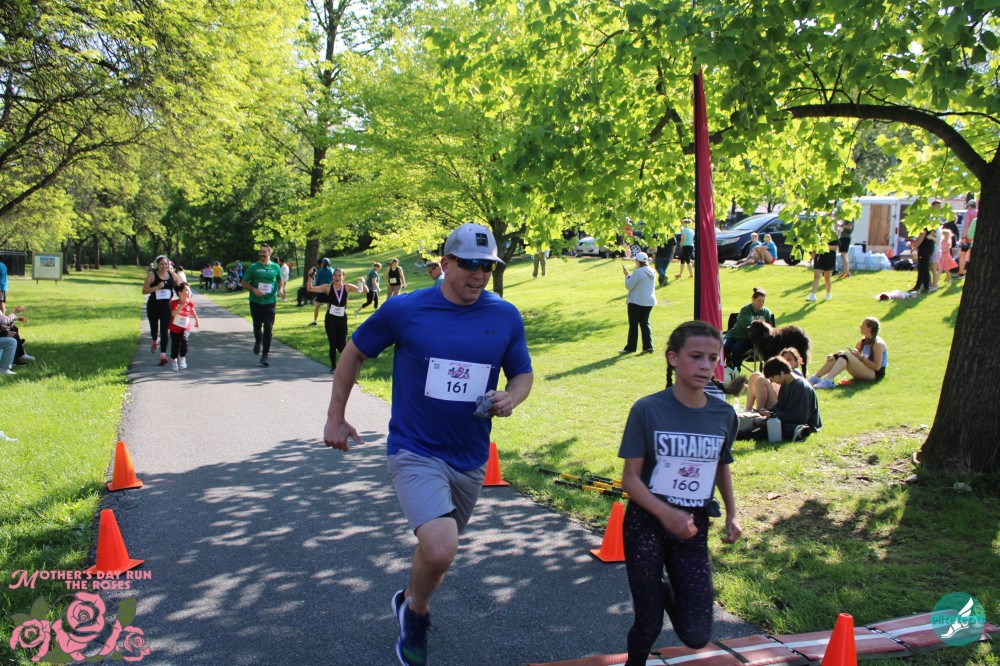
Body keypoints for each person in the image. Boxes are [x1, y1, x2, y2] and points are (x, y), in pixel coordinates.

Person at [322, 222, 533, 666]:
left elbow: (522, 373)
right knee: (440, 547)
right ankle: (417, 614)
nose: (479, 275)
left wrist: (512, 396)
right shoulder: (406, 309)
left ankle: (408, 599)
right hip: (415, 449)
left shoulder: (504, 315)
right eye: (470, 264)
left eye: (488, 266)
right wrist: (335, 416)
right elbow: (354, 353)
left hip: (470, 456)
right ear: (447, 263)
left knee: (439, 551)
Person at [618, 321, 740, 666]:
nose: (705, 365)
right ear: (673, 358)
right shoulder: (647, 409)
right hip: (646, 523)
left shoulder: (723, 414)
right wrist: (666, 513)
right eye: (695, 356)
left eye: (712, 358)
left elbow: (721, 465)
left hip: (692, 526)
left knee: (696, 635)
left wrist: (733, 513)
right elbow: (630, 479)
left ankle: (664, 590)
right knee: (649, 622)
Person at [306, 266, 367, 372]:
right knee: (332, 343)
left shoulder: (347, 287)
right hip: (330, 319)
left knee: (342, 346)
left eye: (339, 275)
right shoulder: (327, 287)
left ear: (343, 277)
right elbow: (310, 289)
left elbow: (364, 291)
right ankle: (334, 367)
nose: (337, 277)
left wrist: (362, 282)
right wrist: (310, 277)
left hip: (342, 319)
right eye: (335, 275)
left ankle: (345, 365)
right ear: (332, 276)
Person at [752, 356, 821, 441]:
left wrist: (773, 415)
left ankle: (799, 430)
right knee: (762, 422)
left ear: (781, 373)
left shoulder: (801, 387)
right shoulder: (785, 384)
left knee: (773, 425)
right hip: (790, 419)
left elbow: (798, 416)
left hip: (805, 423)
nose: (773, 381)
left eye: (773, 378)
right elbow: (780, 406)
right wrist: (768, 411)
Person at [808, 317, 888, 389]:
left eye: (863, 325)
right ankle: (815, 377)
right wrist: (833, 356)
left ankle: (828, 381)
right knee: (840, 354)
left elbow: (877, 367)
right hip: (866, 370)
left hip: (875, 374)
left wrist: (860, 357)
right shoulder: (863, 341)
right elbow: (853, 357)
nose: (860, 327)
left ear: (869, 328)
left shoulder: (878, 344)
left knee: (845, 355)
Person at [240, 244, 284, 368]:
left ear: (270, 253)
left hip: (270, 301)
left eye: (264, 252)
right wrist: (254, 290)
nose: (262, 254)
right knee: (257, 325)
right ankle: (258, 341)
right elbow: (243, 282)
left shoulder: (276, 267)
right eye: (261, 252)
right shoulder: (253, 267)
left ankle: (265, 356)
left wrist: (281, 289)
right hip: (256, 301)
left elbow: (280, 280)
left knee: (268, 327)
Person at [723, 287, 773, 371]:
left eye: (763, 301)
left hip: (748, 339)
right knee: (724, 347)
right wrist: (761, 327)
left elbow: (770, 328)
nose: (761, 304)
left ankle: (735, 371)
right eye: (759, 301)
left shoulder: (766, 312)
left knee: (737, 348)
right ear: (753, 299)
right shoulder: (745, 310)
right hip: (734, 335)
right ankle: (718, 371)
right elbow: (749, 326)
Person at [619, 252, 657, 355]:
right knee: (645, 323)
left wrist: (627, 275)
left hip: (636, 301)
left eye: (636, 261)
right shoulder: (652, 271)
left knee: (634, 325)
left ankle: (631, 347)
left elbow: (629, 286)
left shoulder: (638, 272)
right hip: (649, 301)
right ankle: (648, 346)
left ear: (638, 262)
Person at [142, 255, 177, 366]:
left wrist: (186, 291)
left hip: (166, 307)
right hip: (153, 307)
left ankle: (163, 355)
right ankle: (154, 340)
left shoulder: (172, 275)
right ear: (157, 265)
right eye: (161, 264)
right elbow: (144, 291)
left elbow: (180, 285)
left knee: (164, 331)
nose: (164, 266)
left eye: (166, 264)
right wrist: (157, 287)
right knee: (154, 329)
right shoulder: (152, 275)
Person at [168, 282, 200, 371]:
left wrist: (196, 319)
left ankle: (182, 357)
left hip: (185, 327)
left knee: (184, 341)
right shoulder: (174, 303)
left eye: (190, 291)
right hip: (174, 328)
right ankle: (174, 360)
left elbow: (192, 310)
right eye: (187, 291)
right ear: (180, 293)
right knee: (175, 345)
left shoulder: (190, 303)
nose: (189, 293)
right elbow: (173, 313)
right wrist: (182, 305)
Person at [806, 234, 838, 301]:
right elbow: (815, 249)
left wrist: (825, 246)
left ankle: (828, 294)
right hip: (819, 258)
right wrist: (811, 259)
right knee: (816, 276)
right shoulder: (818, 234)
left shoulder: (833, 234)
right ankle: (813, 295)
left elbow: (835, 247)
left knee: (827, 278)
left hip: (829, 258)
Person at [957, 201, 977, 278]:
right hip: (976, 237)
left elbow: (966, 226)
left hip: (969, 237)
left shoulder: (968, 213)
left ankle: (961, 272)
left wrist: (964, 237)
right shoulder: (978, 212)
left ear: (968, 206)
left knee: (962, 255)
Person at [311, 258, 334, 326]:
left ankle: (315, 321)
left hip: (321, 291)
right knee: (330, 307)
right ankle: (331, 321)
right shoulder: (332, 270)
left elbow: (317, 282)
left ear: (322, 264)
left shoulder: (319, 271)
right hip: (330, 290)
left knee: (317, 306)